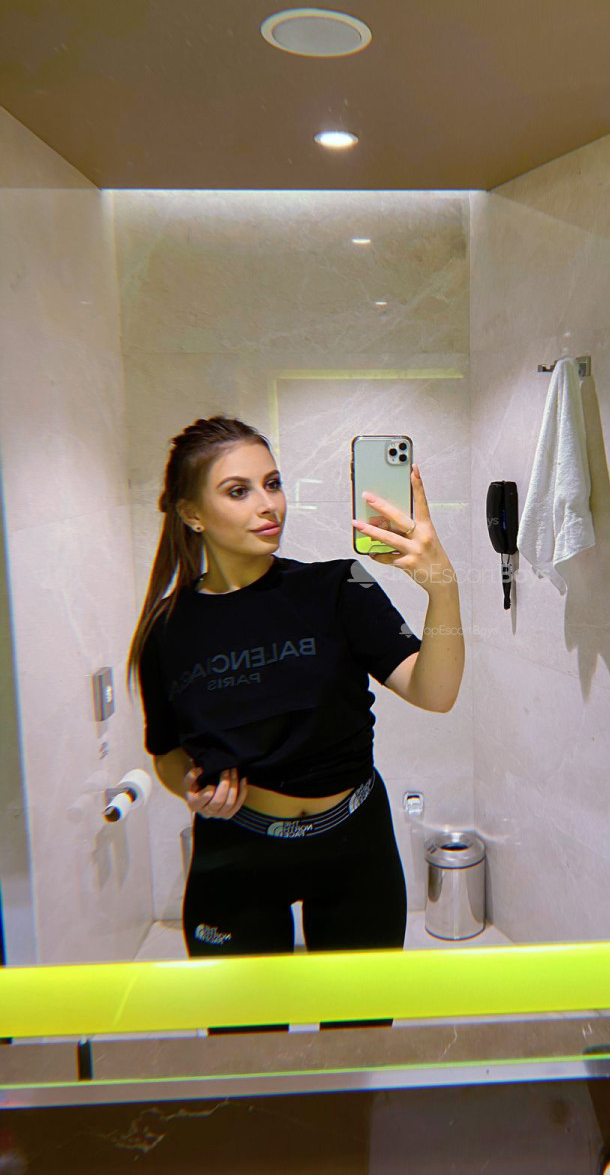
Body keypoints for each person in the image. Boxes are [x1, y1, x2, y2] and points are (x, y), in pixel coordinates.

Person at [126, 415, 464, 1034]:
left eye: (273, 483)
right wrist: (194, 792)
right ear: (191, 514)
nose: (268, 504)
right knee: (248, 1047)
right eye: (238, 490)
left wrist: (443, 587)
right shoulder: (167, 632)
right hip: (238, 853)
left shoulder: (338, 583)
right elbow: (168, 755)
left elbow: (435, 692)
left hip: (354, 844)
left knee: (359, 1039)